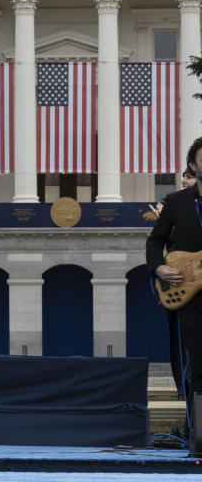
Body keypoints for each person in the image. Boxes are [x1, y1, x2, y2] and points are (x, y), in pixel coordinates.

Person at [147, 138, 202, 425]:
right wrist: (158, 267)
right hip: (191, 297)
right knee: (195, 365)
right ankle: (197, 431)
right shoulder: (176, 202)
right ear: (193, 165)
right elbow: (155, 240)